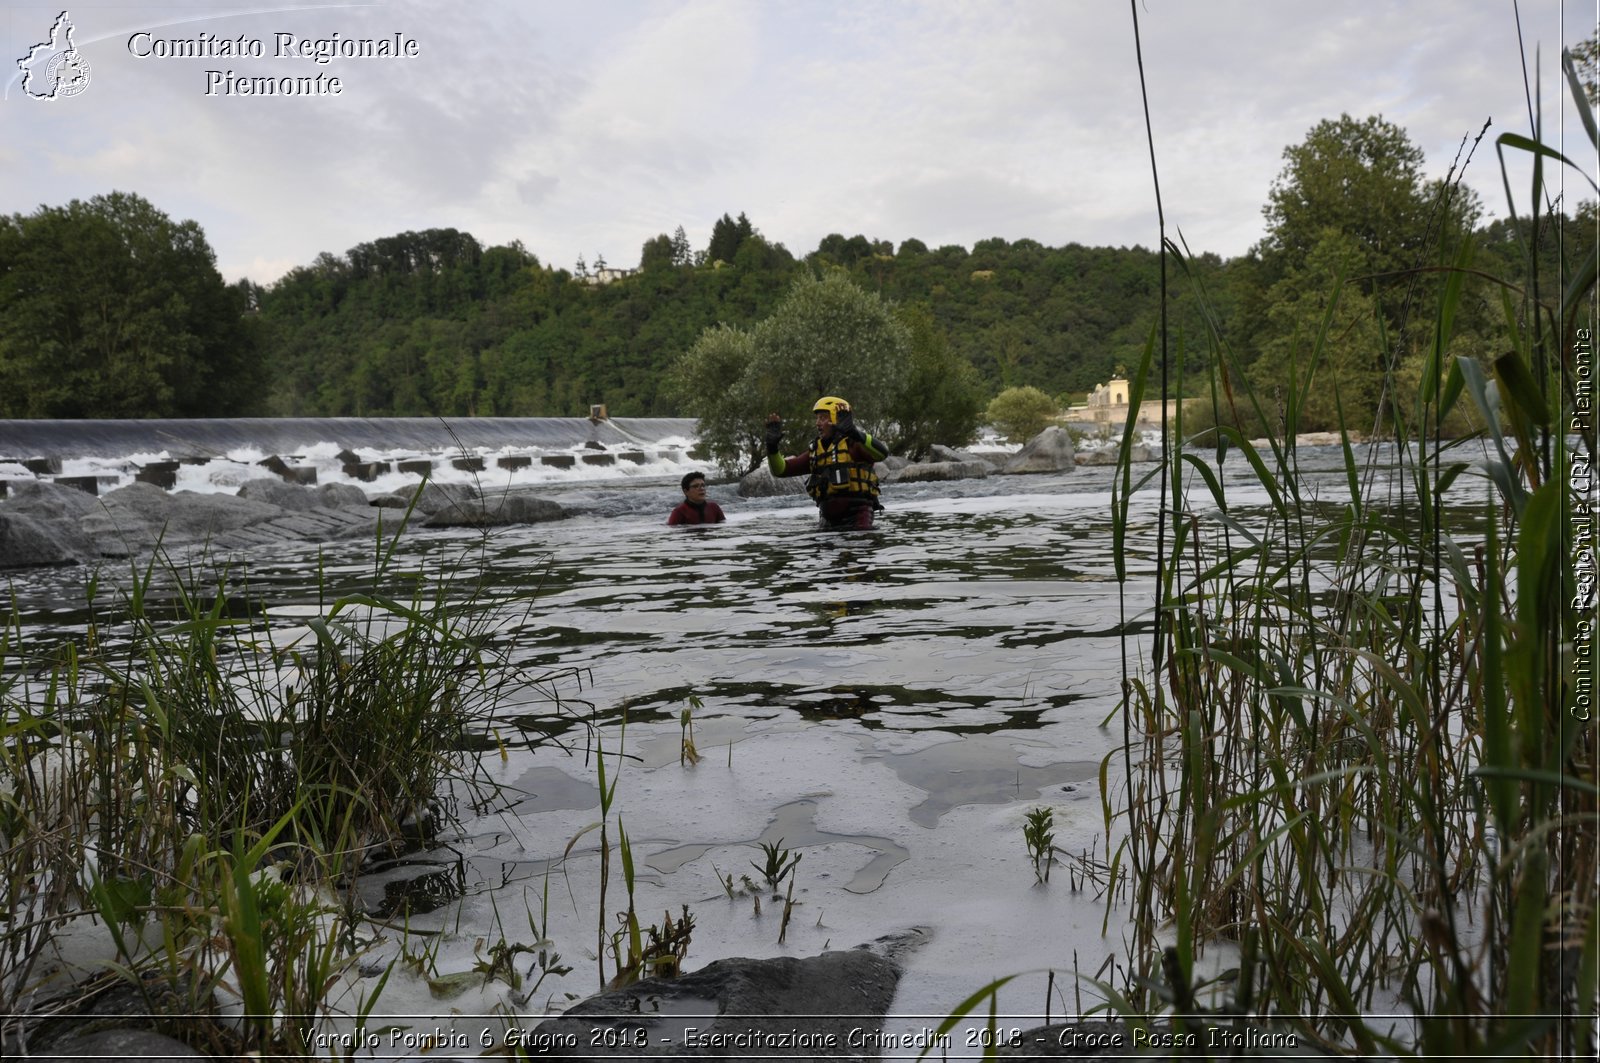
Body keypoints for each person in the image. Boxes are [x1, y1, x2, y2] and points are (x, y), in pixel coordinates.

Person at [765, 396, 887, 529]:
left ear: (836, 419)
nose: (817, 423)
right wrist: (772, 449)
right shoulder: (815, 451)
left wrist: (855, 433)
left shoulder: (854, 445)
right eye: (817, 418)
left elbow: (882, 453)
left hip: (858, 518)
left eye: (823, 418)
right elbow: (781, 470)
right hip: (827, 521)